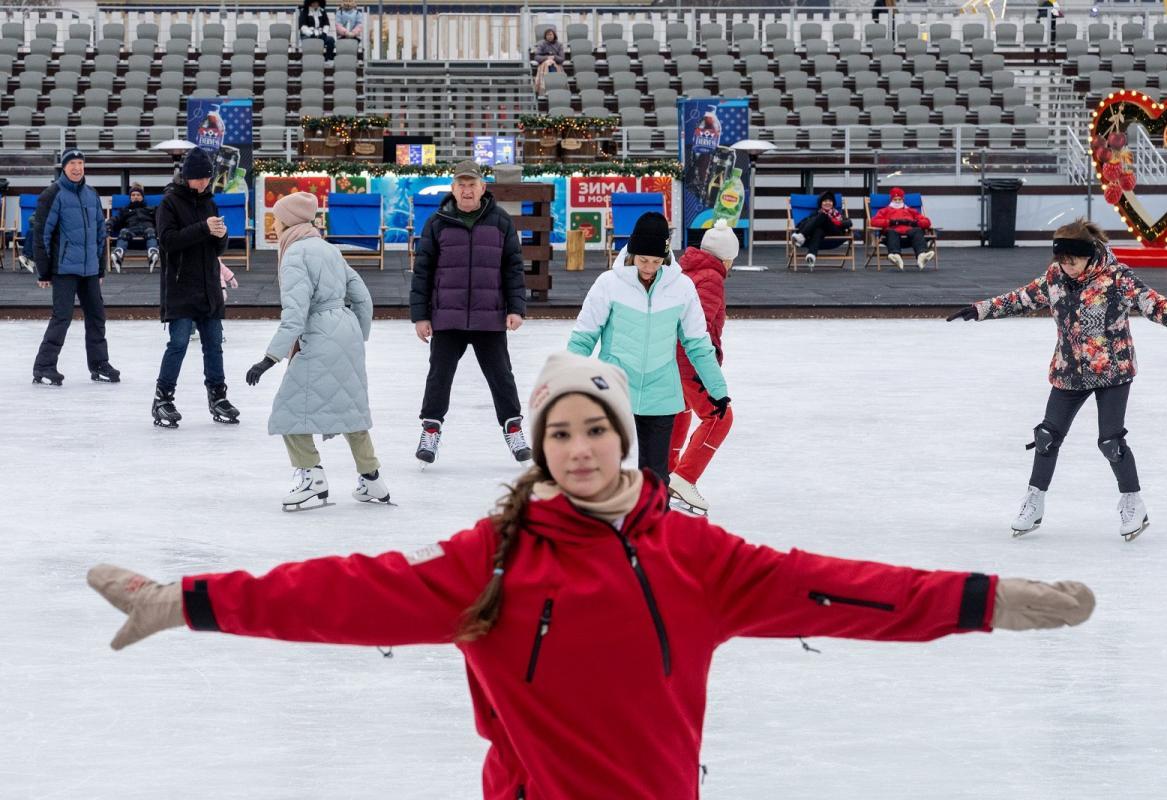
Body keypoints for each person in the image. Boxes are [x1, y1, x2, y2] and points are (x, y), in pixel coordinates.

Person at [86, 351, 1096, 799]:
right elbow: (347, 591)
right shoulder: (494, 558)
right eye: (558, 431)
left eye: (594, 428)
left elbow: (836, 587)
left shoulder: (699, 555)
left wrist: (986, 598)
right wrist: (187, 598)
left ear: (623, 437)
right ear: (539, 445)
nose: (577, 447)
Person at [947, 218, 1167, 540]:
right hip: (1068, 370)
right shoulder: (1054, 278)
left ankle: (1133, 502)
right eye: (1062, 262)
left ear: (1089, 254)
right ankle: (1034, 502)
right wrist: (980, 310)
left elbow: (1155, 304)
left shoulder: (1117, 278)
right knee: (1046, 436)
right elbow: (1021, 299)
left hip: (1112, 370)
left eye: (1073, 261)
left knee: (1110, 442)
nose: (1067, 268)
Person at [244, 192, 388, 512]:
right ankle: (372, 477)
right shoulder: (329, 249)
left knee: (289, 411)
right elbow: (362, 297)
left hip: (319, 334)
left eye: (277, 218)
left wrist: (269, 359)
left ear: (289, 220)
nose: (274, 223)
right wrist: (357, 337)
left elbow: (295, 315)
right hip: (345, 331)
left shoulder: (295, 253)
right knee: (349, 406)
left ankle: (312, 478)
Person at [568, 211, 729, 482]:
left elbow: (698, 343)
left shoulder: (681, 287)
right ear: (631, 253)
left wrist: (717, 388)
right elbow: (584, 337)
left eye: (656, 261)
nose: (649, 267)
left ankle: (652, 523)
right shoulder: (609, 284)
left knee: (655, 479)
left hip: (660, 392)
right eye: (643, 259)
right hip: (614, 387)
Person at [410, 160, 530, 466]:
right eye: (461, 185)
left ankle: (513, 428)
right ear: (452, 188)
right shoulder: (437, 222)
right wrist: (420, 315)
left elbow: (513, 268)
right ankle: (431, 429)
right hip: (446, 317)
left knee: (502, 376)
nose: (466, 190)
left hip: (489, 317)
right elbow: (422, 271)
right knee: (439, 376)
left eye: (472, 185)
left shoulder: (500, 221)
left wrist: (516, 307)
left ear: (482, 188)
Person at [153, 147, 239, 429]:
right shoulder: (169, 203)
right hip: (181, 286)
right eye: (198, 178)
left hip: (208, 287)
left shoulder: (210, 203)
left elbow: (216, 248)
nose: (203, 183)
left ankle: (218, 396)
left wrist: (221, 236)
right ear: (186, 177)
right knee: (177, 343)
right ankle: (162, 398)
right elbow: (168, 241)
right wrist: (204, 228)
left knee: (214, 344)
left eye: (206, 178)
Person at [30, 148, 120, 386]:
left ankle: (99, 364)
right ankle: (44, 366)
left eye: (81, 163)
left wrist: (100, 268)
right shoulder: (53, 194)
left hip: (89, 269)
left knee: (97, 316)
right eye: (72, 163)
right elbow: (42, 235)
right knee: (62, 317)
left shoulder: (91, 194)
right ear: (64, 167)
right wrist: (45, 271)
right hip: (64, 269)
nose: (77, 168)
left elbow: (100, 234)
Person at [668, 219, 737, 515]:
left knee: (680, 412)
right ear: (727, 257)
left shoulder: (690, 269)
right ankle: (684, 478)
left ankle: (664, 474)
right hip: (690, 360)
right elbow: (701, 328)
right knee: (720, 417)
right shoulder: (711, 277)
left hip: (672, 356)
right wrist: (707, 368)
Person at [870, 186, 935, 271]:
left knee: (917, 231)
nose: (897, 201)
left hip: (909, 236)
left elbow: (927, 222)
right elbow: (874, 221)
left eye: (899, 199)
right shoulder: (885, 210)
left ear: (903, 199)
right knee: (891, 232)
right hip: (892, 235)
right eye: (895, 199)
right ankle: (895, 255)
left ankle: (922, 255)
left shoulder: (911, 210)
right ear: (891, 200)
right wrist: (890, 222)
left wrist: (915, 223)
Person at [789, 190, 855, 270]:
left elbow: (849, 222)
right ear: (821, 203)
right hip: (822, 234)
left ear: (833, 203)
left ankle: (802, 236)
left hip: (835, 232)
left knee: (823, 216)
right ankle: (811, 255)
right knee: (818, 230)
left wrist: (838, 223)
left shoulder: (837, 214)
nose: (828, 203)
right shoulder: (816, 213)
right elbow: (804, 222)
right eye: (825, 201)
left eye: (830, 201)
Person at [108, 182, 160, 273]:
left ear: (142, 197)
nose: (135, 197)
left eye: (138, 195)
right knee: (123, 231)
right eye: (133, 195)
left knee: (151, 231)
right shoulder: (125, 210)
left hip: (148, 230)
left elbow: (161, 219)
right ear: (130, 197)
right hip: (131, 230)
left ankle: (152, 253)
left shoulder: (151, 209)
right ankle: (118, 253)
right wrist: (108, 225)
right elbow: (115, 219)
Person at [533, 28, 565, 94]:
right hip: (544, 65)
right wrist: (547, 57)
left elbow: (562, 59)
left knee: (551, 62)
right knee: (548, 62)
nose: (549, 36)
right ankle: (550, 86)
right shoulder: (542, 44)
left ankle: (552, 85)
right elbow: (536, 57)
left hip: (557, 65)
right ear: (545, 36)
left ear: (554, 35)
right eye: (547, 35)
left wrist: (554, 57)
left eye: (551, 34)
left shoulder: (559, 45)